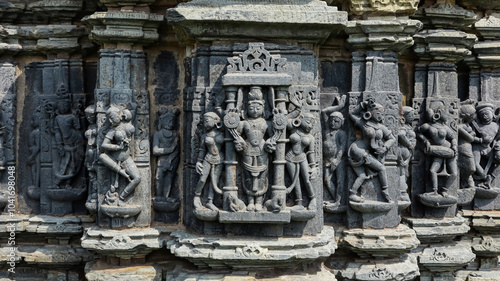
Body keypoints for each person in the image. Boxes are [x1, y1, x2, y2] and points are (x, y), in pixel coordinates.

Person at [233, 86, 275, 212]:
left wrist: (270, 142)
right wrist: (238, 140)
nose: (255, 110)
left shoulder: (266, 123)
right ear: (246, 109)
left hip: (262, 150)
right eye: (251, 108)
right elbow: (235, 132)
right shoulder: (244, 123)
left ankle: (259, 202)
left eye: (258, 108)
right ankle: (250, 201)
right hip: (248, 149)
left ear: (263, 108)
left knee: (262, 175)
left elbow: (274, 136)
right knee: (248, 175)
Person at [348, 98, 395, 203]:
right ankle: (385, 192)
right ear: (371, 113)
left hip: (368, 152)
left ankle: (352, 194)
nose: (380, 116)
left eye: (382, 114)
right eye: (378, 113)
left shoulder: (381, 127)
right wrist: (363, 104)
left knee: (362, 175)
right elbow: (351, 114)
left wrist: (385, 147)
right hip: (358, 150)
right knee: (381, 168)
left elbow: (392, 138)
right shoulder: (363, 123)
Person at [99, 105, 141, 202]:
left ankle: (122, 197)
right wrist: (117, 147)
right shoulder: (112, 131)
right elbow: (104, 145)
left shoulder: (127, 126)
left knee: (137, 178)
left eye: (112, 118)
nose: (110, 121)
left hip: (126, 159)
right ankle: (120, 171)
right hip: (114, 159)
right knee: (102, 156)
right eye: (109, 119)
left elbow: (133, 112)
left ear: (120, 117)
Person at [417, 105, 457, 197]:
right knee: (432, 171)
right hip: (437, 151)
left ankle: (444, 190)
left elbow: (453, 138)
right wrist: (425, 141)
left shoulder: (446, 128)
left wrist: (454, 146)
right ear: (438, 114)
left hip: (448, 150)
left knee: (454, 174)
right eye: (445, 113)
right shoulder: (428, 126)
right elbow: (418, 132)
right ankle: (434, 191)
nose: (447, 116)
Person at [51, 85, 84, 189]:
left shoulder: (72, 117)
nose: (63, 107)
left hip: (76, 141)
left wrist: (78, 116)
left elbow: (78, 128)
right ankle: (56, 183)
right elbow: (56, 132)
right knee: (64, 165)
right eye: (61, 105)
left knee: (73, 166)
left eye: (65, 104)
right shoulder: (58, 118)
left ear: (69, 105)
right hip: (66, 144)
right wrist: (59, 145)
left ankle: (68, 183)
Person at [286, 113, 318, 210]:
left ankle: (313, 198)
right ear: (301, 119)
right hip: (290, 158)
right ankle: (299, 202)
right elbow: (285, 121)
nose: (310, 126)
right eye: (308, 122)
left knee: (307, 179)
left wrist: (313, 167)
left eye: (312, 125)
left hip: (303, 158)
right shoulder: (293, 129)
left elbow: (311, 153)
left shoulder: (311, 137)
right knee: (295, 182)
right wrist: (295, 121)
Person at [194, 112, 224, 211]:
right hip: (208, 158)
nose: (205, 124)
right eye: (204, 122)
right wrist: (198, 162)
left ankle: (210, 201)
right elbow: (202, 150)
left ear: (216, 121)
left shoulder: (222, 134)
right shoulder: (204, 136)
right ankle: (197, 196)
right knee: (203, 179)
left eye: (207, 121)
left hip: (220, 158)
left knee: (214, 181)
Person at [322, 95, 347, 204]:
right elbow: (323, 111)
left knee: (340, 180)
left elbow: (342, 147)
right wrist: (339, 106)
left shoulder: (341, 133)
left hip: (338, 161)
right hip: (327, 160)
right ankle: (335, 199)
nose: (333, 123)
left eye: (336, 121)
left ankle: (338, 202)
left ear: (342, 123)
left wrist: (337, 160)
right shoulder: (327, 130)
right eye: (331, 120)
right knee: (327, 180)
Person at [153, 109, 180, 200]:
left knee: (169, 178)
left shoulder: (175, 135)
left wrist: (170, 159)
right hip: (161, 159)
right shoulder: (158, 134)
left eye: (172, 121)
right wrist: (170, 149)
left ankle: (165, 197)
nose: (170, 122)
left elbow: (177, 151)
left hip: (173, 159)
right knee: (158, 178)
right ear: (162, 121)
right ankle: (159, 196)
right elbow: (155, 151)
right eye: (168, 120)